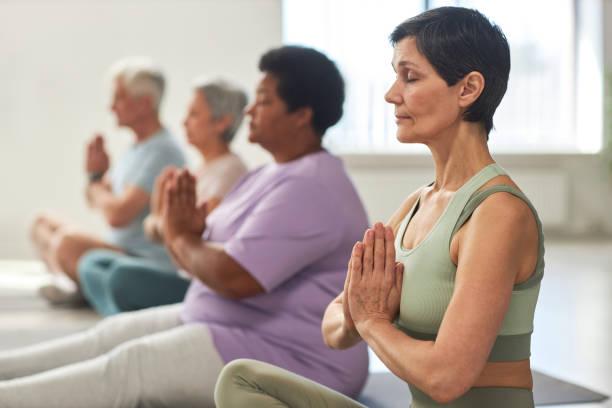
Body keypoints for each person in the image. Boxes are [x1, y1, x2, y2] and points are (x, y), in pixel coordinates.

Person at [0, 46, 369, 408]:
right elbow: (205, 251)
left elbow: (233, 278)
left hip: (297, 360)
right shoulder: (268, 174)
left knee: (130, 368)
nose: (249, 110)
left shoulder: (310, 186)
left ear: (302, 115)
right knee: (108, 336)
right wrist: (187, 231)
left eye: (264, 101)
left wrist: (179, 234)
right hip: (228, 321)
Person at [214, 7, 544, 408]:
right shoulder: (415, 205)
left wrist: (372, 323)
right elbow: (333, 327)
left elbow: (445, 379)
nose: (392, 94)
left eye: (410, 77)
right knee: (242, 380)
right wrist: (359, 314)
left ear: (468, 89)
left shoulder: (497, 213)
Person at [78, 78, 249, 315]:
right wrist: (160, 212)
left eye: (194, 115)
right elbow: (161, 227)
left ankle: (122, 319)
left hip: (194, 280)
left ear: (221, 122)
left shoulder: (230, 172)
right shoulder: (198, 170)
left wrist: (163, 219)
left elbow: (195, 236)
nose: (183, 122)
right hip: (176, 268)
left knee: (121, 276)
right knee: (92, 263)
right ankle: (121, 319)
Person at [29, 57, 186, 304]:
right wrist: (96, 176)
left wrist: (97, 187)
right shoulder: (136, 148)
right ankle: (79, 287)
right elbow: (98, 201)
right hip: (116, 246)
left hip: (140, 260)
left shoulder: (163, 151)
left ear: (144, 103)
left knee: (68, 242)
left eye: (119, 98)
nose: (111, 107)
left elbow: (117, 215)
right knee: (42, 223)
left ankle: (81, 289)